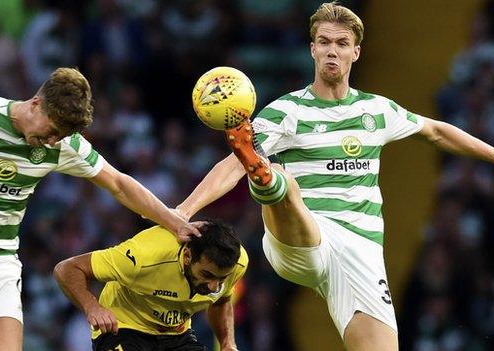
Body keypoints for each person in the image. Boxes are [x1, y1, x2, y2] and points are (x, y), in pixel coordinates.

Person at [176, 3, 494, 351]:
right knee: (279, 179)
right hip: (303, 238)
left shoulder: (376, 110)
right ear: (312, 48)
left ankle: (266, 175)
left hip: (360, 250)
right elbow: (230, 165)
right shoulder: (288, 111)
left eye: (342, 43)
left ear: (355, 52)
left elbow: (435, 131)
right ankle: (266, 177)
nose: (332, 50)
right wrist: (184, 211)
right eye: (324, 41)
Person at [0, 67, 201, 351]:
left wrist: (173, 223)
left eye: (62, 136)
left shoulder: (63, 145)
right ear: (36, 104)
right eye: (53, 131)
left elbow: (118, 183)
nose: (54, 141)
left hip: (0, 264)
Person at [54, 220, 247, 351]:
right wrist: (91, 306)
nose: (214, 286)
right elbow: (67, 268)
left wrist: (227, 343)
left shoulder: (236, 264)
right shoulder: (142, 257)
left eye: (221, 280)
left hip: (177, 335)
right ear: (188, 256)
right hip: (124, 328)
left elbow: (221, 301)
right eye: (207, 275)